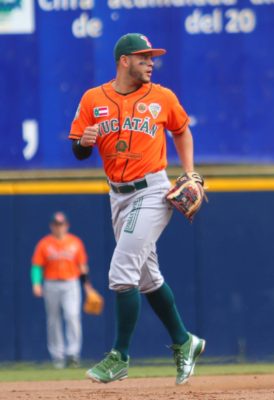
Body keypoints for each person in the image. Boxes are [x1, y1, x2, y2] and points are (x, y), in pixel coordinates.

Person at [69, 33, 205, 385]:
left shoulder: (162, 97)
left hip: (153, 191)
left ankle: (120, 356)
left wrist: (189, 171)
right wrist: (84, 143)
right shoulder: (92, 99)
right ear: (123, 60)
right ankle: (184, 341)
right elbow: (79, 150)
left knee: (121, 272)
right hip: (118, 195)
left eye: (152, 57)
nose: (151, 62)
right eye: (143, 57)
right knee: (146, 278)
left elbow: (182, 130)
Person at [31, 211, 92, 369]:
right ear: (52, 226)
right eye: (56, 225)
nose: (59, 228)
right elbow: (37, 266)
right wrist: (36, 283)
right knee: (53, 320)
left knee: (72, 316)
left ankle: (73, 354)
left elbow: (82, 266)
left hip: (71, 283)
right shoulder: (44, 244)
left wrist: (87, 286)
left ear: (67, 226)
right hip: (51, 283)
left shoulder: (75, 242)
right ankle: (57, 357)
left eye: (61, 224)